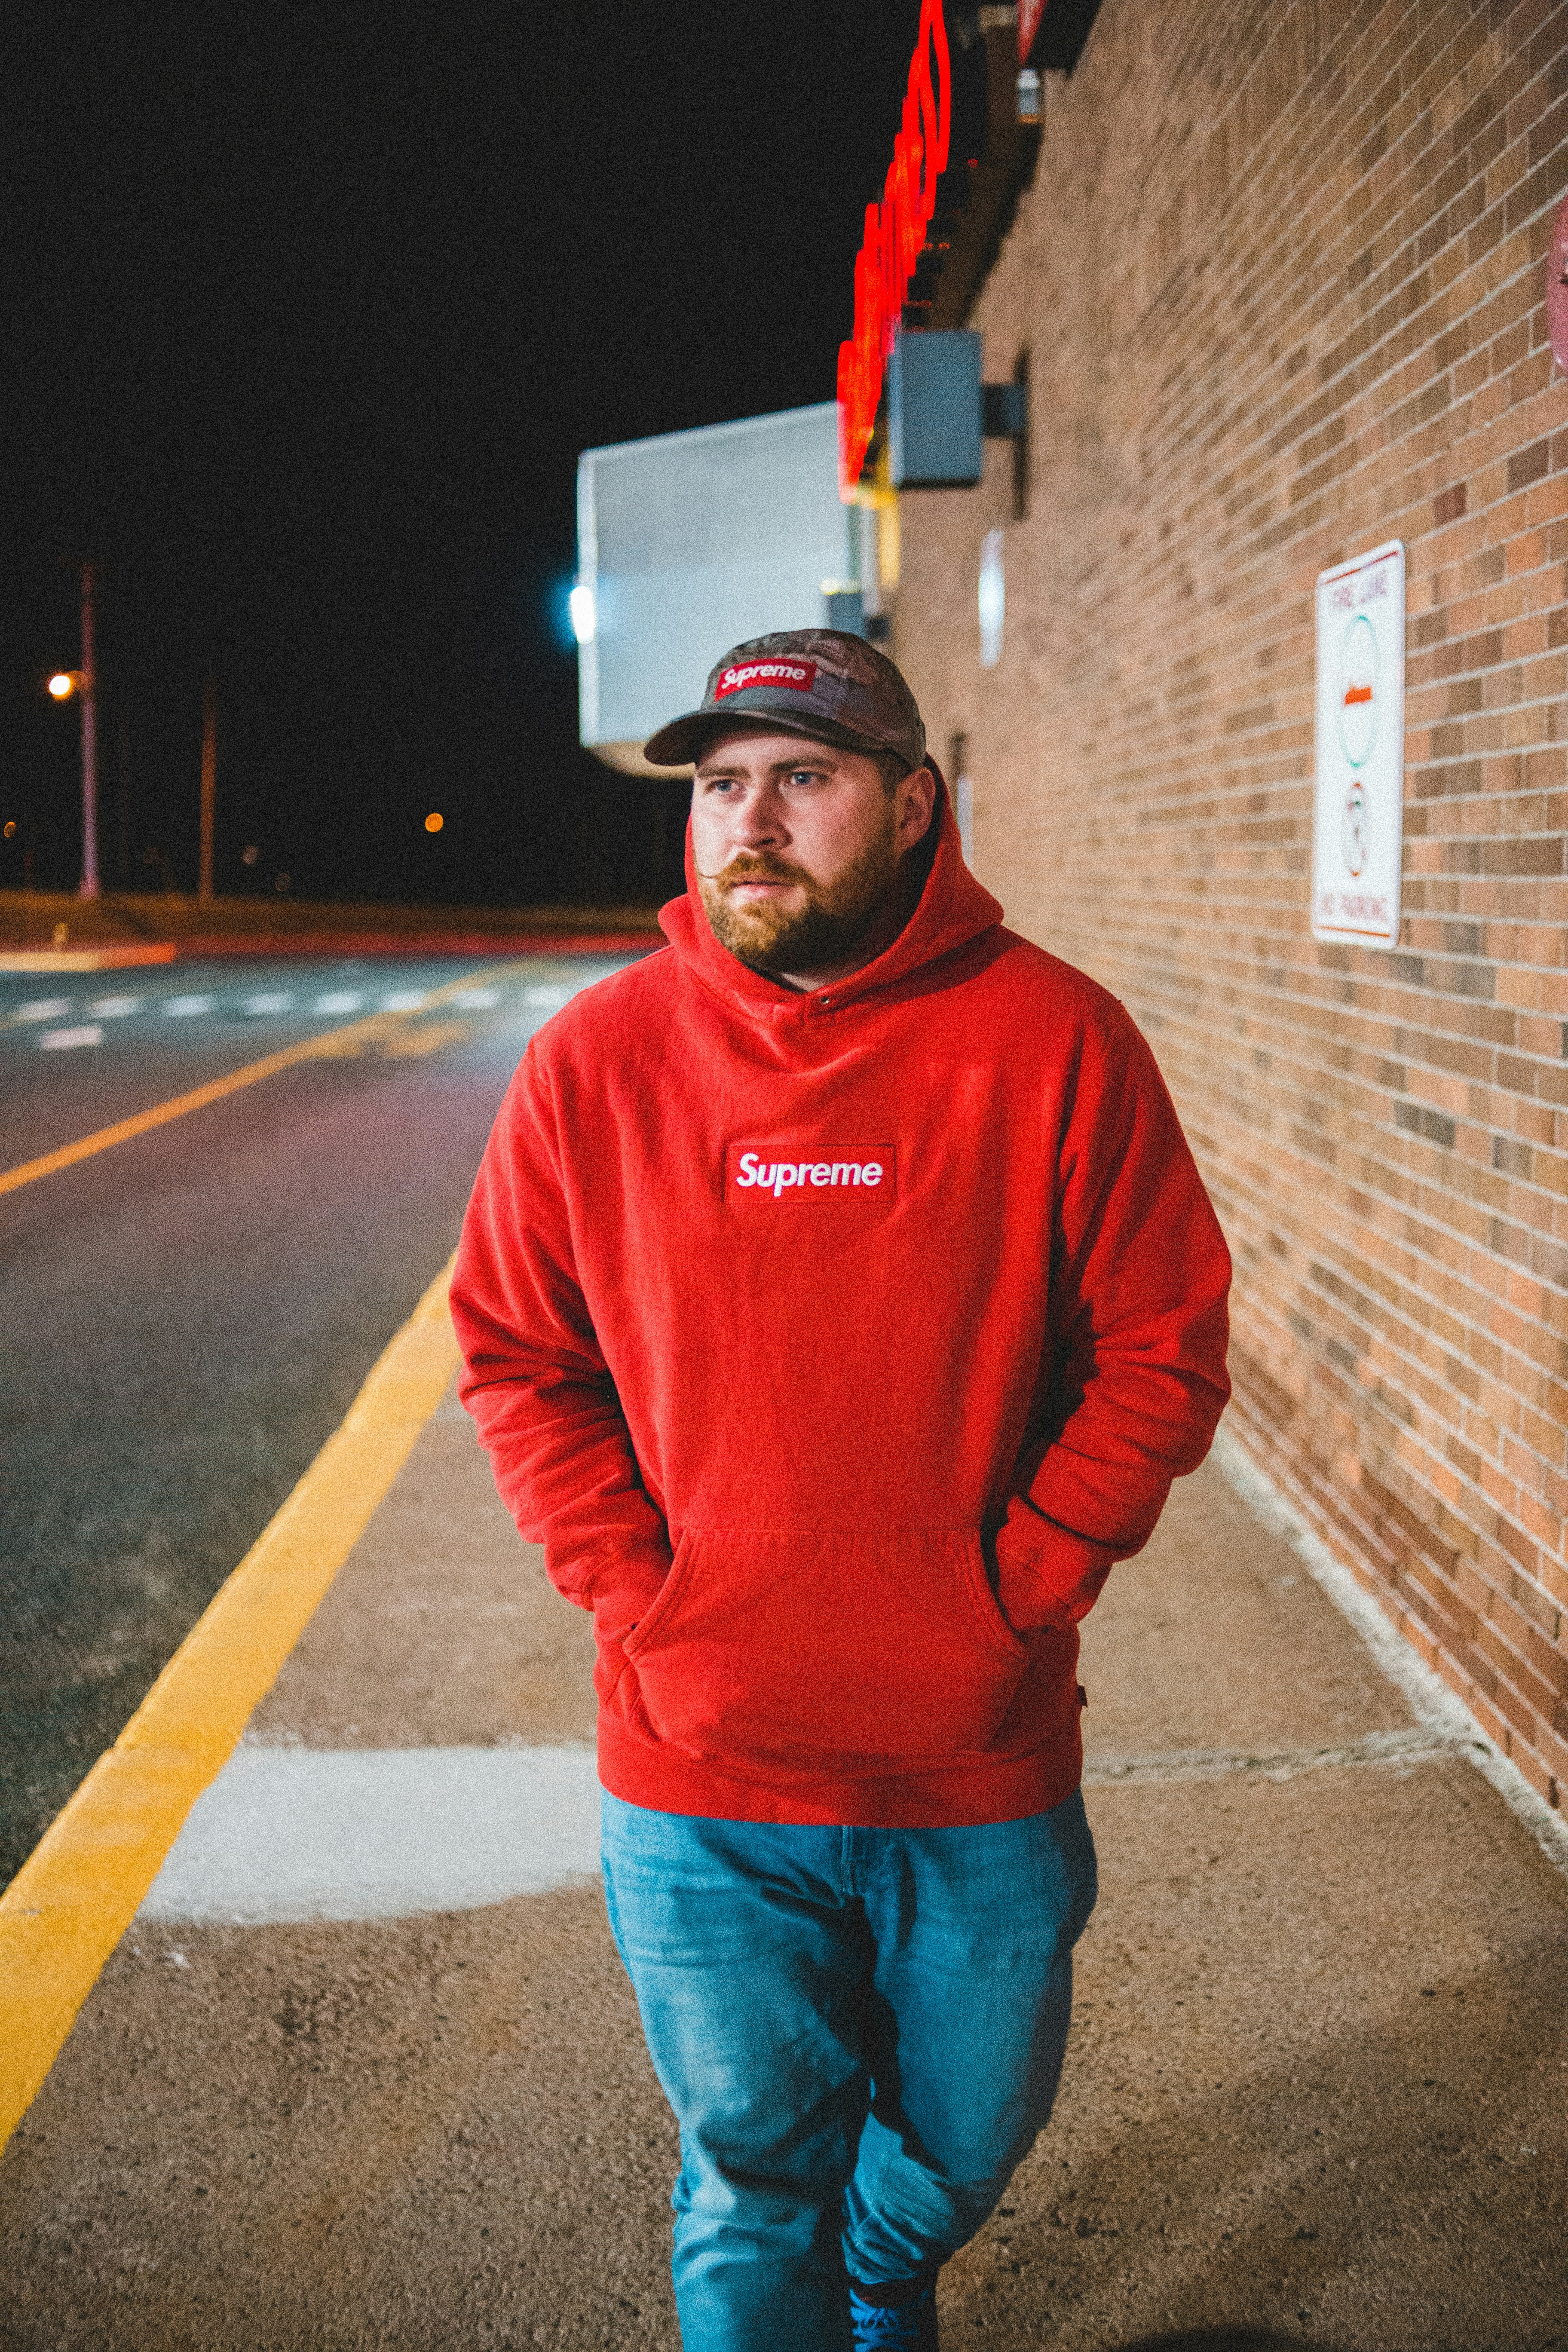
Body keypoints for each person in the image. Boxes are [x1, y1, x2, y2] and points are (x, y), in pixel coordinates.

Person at [450, 629, 1231, 2351]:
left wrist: (1016, 1587)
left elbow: (1161, 1348)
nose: (750, 823)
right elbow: (517, 1353)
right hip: (698, 1771)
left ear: (911, 810)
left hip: (975, 1759)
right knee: (748, 2184)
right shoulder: (597, 1060)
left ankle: (888, 2271)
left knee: (964, 2147)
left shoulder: (1056, 1042)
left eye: (803, 779)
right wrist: (641, 1594)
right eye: (720, 786)